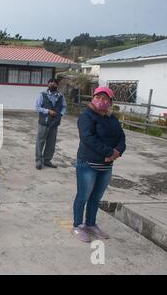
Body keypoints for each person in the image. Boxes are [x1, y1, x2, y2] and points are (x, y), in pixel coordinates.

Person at [72, 87, 126, 242]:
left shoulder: (112, 118)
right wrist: (109, 153)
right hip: (88, 163)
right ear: (93, 98)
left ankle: (90, 224)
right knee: (83, 196)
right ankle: (77, 226)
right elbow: (88, 138)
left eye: (105, 99)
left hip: (106, 166)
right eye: (98, 97)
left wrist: (118, 151)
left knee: (96, 197)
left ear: (110, 102)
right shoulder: (86, 116)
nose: (101, 101)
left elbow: (121, 136)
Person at [35, 78, 67, 170]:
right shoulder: (42, 95)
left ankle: (47, 161)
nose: (52, 85)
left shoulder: (61, 96)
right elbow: (37, 107)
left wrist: (60, 114)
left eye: (54, 84)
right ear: (48, 84)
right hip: (43, 122)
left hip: (54, 123)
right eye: (50, 83)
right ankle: (38, 161)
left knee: (51, 143)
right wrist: (48, 111)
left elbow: (64, 107)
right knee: (40, 142)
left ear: (57, 85)